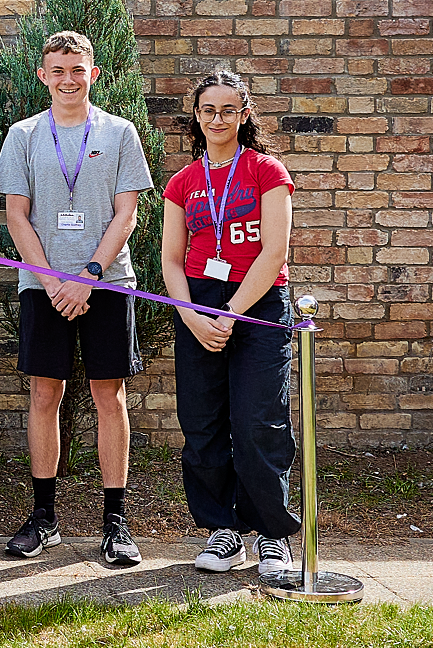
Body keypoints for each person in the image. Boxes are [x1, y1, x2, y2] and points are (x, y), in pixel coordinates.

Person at [0, 30, 153, 567]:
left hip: (107, 283)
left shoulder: (121, 131)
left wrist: (87, 275)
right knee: (44, 396)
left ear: (93, 74)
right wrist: (54, 279)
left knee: (111, 398)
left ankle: (116, 521)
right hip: (43, 285)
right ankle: (43, 518)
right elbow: (17, 214)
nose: (67, 80)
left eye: (76, 70)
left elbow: (126, 213)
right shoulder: (23, 134)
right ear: (43, 76)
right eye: (57, 71)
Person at [161, 71, 298, 575]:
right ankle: (223, 529)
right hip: (198, 303)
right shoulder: (183, 182)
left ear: (244, 114)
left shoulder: (267, 171)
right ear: (197, 117)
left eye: (227, 110)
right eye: (207, 110)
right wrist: (193, 316)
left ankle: (269, 534)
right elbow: (171, 261)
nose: (217, 119)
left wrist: (230, 311)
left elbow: (274, 250)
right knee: (202, 421)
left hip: (257, 303)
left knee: (258, 420)